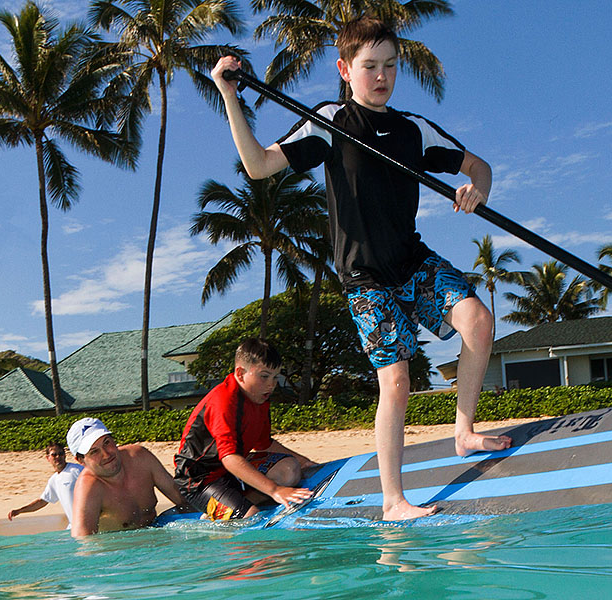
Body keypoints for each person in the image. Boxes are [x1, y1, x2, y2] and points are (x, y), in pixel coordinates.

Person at [210, 16, 512, 521]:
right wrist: (229, 95)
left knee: (478, 322)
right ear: (345, 70)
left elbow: (476, 166)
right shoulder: (328, 122)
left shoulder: (412, 129)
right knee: (396, 380)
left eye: (390, 66)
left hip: (411, 261)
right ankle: (394, 501)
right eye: (369, 66)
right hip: (364, 277)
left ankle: (464, 432)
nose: (381, 76)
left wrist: (477, 189)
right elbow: (259, 165)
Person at [173, 338, 317, 521]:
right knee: (250, 518)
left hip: (229, 471)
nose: (271, 384)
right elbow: (230, 459)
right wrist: (275, 491)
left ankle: (231, 504)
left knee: (289, 469)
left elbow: (263, 444)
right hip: (198, 481)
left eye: (275, 377)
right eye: (264, 376)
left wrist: (305, 462)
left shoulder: (260, 399)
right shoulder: (223, 401)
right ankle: (217, 511)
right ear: (240, 374)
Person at [67, 417, 189, 537]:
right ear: (80, 460)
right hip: (120, 550)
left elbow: (184, 501)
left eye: (106, 443)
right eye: (94, 452)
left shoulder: (140, 458)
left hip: (155, 535)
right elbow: (84, 544)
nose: (106, 454)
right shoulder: (89, 489)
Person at [7, 442, 83, 528]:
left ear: (65, 455)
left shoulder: (77, 470)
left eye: (61, 454)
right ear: (48, 458)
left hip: (88, 523)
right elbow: (42, 501)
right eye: (54, 455)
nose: (58, 457)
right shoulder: (54, 480)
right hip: (74, 526)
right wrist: (19, 511)